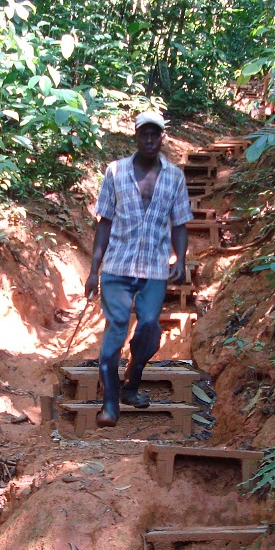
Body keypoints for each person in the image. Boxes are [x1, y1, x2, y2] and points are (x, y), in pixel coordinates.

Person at [84, 110, 193, 427]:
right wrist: (94, 269)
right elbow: (104, 221)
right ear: (135, 136)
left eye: (154, 134)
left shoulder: (174, 176)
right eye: (143, 133)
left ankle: (132, 379)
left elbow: (181, 223)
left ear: (162, 137)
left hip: (155, 268)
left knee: (149, 327)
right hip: (117, 265)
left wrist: (181, 259)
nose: (149, 139)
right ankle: (110, 404)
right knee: (116, 327)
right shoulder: (115, 172)